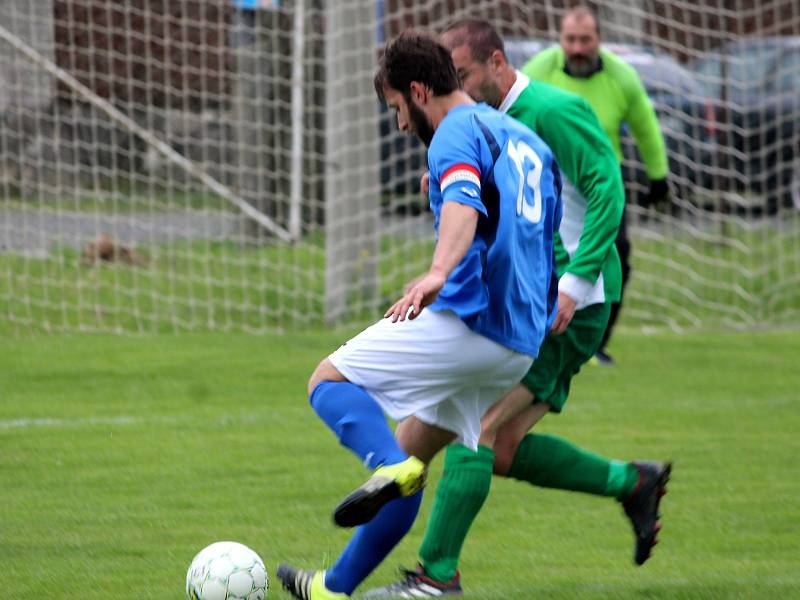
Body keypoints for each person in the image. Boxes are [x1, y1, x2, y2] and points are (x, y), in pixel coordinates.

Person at [361, 19, 670, 599]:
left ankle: (435, 577)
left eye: (464, 74)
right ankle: (632, 482)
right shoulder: (479, 127)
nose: (454, 85)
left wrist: (576, 283)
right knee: (498, 447)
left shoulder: (552, 110)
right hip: (526, 299)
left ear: (497, 66)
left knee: (472, 427)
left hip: (570, 301)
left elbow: (607, 188)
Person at [276, 29, 563, 600]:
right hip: (519, 343)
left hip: (471, 321)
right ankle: (335, 589)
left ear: (417, 89)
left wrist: (438, 271)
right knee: (414, 451)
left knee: (327, 383)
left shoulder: (454, 131)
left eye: (396, 109)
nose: (400, 124)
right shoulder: (520, 137)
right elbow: (546, 231)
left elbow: (462, 200)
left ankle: (386, 467)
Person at [523, 4, 671, 365]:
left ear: (599, 40)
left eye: (584, 40)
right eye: (570, 40)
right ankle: (535, 329)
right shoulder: (540, 69)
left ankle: (597, 342)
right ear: (560, 40)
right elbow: (509, 109)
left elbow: (645, 126)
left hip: (601, 185)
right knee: (538, 254)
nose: (576, 48)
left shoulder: (622, 77)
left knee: (616, 255)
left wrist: (659, 176)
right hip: (548, 182)